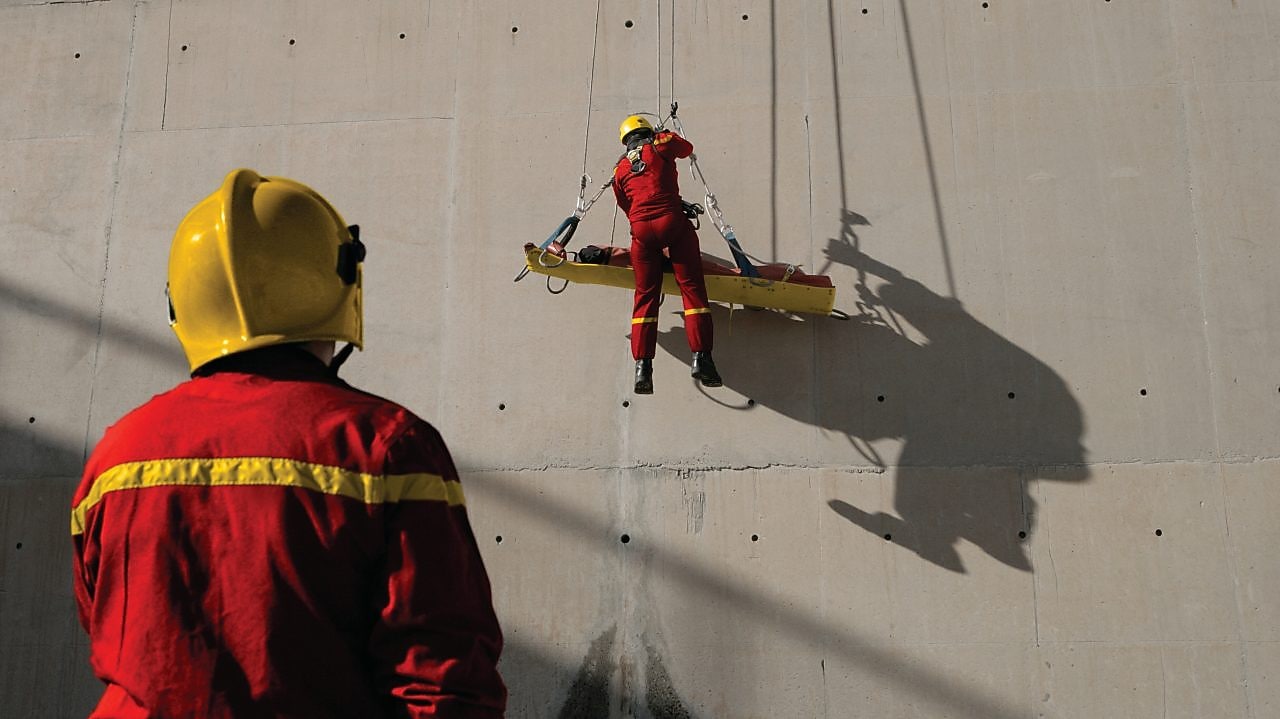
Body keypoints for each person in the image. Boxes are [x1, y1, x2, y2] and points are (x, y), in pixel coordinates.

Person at [70, 169, 506, 718]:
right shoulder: (386, 448)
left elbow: (108, 629)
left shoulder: (117, 457)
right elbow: (441, 681)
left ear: (180, 303)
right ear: (340, 279)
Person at [613, 114, 723, 394]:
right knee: (692, 288)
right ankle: (702, 359)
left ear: (625, 140)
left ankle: (643, 368)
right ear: (648, 131)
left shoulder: (620, 169)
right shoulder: (661, 144)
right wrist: (665, 134)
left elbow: (626, 205)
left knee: (645, 298)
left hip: (641, 232)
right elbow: (686, 149)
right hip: (672, 223)